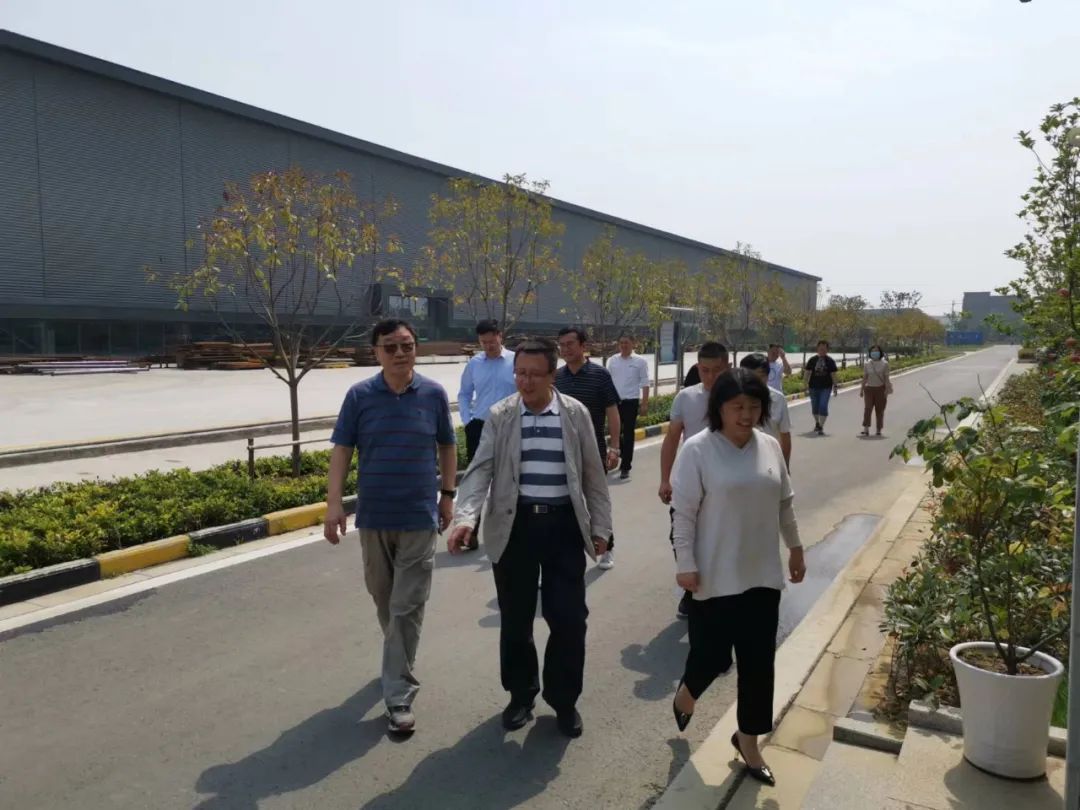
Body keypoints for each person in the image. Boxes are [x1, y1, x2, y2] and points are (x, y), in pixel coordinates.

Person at [447, 338, 612, 739]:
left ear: (552, 375)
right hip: (515, 528)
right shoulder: (501, 415)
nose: (525, 381)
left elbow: (593, 476)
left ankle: (564, 700)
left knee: (569, 620)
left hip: (563, 527)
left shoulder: (575, 414)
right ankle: (521, 695)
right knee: (516, 620)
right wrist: (465, 518)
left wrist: (601, 528)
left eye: (535, 374)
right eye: (520, 373)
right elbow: (480, 471)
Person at [669, 368, 806, 787]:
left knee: (758, 664)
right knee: (711, 656)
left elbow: (784, 503)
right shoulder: (698, 449)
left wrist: (796, 547)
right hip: (714, 573)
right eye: (737, 407)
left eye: (754, 406)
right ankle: (687, 692)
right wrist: (685, 563)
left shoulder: (769, 446)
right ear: (720, 408)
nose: (746, 415)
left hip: (762, 574)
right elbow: (683, 514)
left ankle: (748, 741)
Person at [324, 318, 457, 735]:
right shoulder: (359, 395)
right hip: (375, 516)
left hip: (419, 515)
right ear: (376, 352)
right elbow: (342, 450)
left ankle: (398, 694)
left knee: (406, 605)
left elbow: (447, 444)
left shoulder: (433, 394)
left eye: (407, 345)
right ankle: (396, 657)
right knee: (383, 597)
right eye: (391, 346)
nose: (400, 353)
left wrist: (447, 494)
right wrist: (333, 505)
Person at [658, 341, 730, 618]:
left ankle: (723, 591)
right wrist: (665, 479)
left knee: (721, 537)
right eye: (704, 370)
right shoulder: (686, 398)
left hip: (727, 483)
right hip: (690, 482)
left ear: (727, 367)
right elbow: (672, 438)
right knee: (681, 536)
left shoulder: (739, 397)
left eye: (717, 370)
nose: (710, 377)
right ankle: (691, 592)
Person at [555, 327, 621, 570]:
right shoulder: (556, 377)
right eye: (562, 345)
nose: (565, 349)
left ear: (583, 346)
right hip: (563, 453)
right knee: (564, 504)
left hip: (594, 450)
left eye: (570, 344)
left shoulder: (600, 375)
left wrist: (615, 447)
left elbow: (612, 411)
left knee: (597, 501)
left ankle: (607, 547)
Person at [457, 319, 517, 550]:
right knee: (476, 480)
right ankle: (469, 532)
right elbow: (464, 393)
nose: (488, 346)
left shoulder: (515, 361)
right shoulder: (474, 364)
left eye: (491, 341)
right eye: (483, 342)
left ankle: (507, 532)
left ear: (500, 336)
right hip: (479, 427)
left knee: (507, 480)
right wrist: (468, 420)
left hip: (509, 427)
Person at [606, 334, 652, 481]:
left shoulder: (640, 361)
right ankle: (622, 453)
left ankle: (626, 466)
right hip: (614, 403)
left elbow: (645, 383)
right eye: (621, 343)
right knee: (615, 433)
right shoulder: (613, 360)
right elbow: (607, 381)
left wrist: (644, 404)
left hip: (631, 402)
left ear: (633, 344)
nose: (624, 345)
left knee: (628, 434)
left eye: (626, 343)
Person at [739, 353, 792, 470]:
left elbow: (785, 434)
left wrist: (785, 466)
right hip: (739, 462)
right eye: (749, 377)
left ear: (767, 376)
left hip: (770, 462)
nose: (754, 382)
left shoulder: (778, 399)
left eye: (760, 376)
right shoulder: (731, 400)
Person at [803, 340, 838, 434]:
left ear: (827, 350)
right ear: (817, 349)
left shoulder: (830, 361)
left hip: (826, 387)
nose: (822, 350)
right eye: (820, 348)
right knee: (815, 407)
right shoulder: (812, 360)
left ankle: (821, 426)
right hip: (813, 387)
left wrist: (835, 386)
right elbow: (807, 373)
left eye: (824, 349)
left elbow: (833, 374)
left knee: (823, 405)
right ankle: (817, 423)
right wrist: (805, 385)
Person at [860, 344, 893, 437]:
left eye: (877, 351)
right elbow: (865, 378)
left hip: (880, 389)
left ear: (880, 352)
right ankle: (866, 428)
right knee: (868, 408)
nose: (875, 353)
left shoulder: (885, 364)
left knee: (880, 410)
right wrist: (861, 389)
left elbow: (886, 378)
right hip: (869, 389)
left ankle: (879, 429)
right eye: (873, 351)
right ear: (870, 353)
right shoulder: (867, 364)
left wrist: (887, 389)